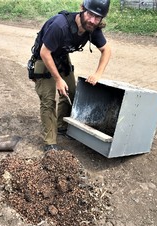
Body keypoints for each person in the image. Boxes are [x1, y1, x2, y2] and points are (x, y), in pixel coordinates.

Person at [29, 0, 111, 152]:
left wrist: (98, 73)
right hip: (44, 58)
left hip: (61, 57)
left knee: (71, 92)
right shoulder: (60, 26)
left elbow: (107, 50)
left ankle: (61, 126)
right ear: (82, 9)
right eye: (90, 14)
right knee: (48, 100)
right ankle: (50, 142)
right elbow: (44, 53)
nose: (93, 20)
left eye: (97, 17)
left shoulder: (92, 28)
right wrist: (58, 80)